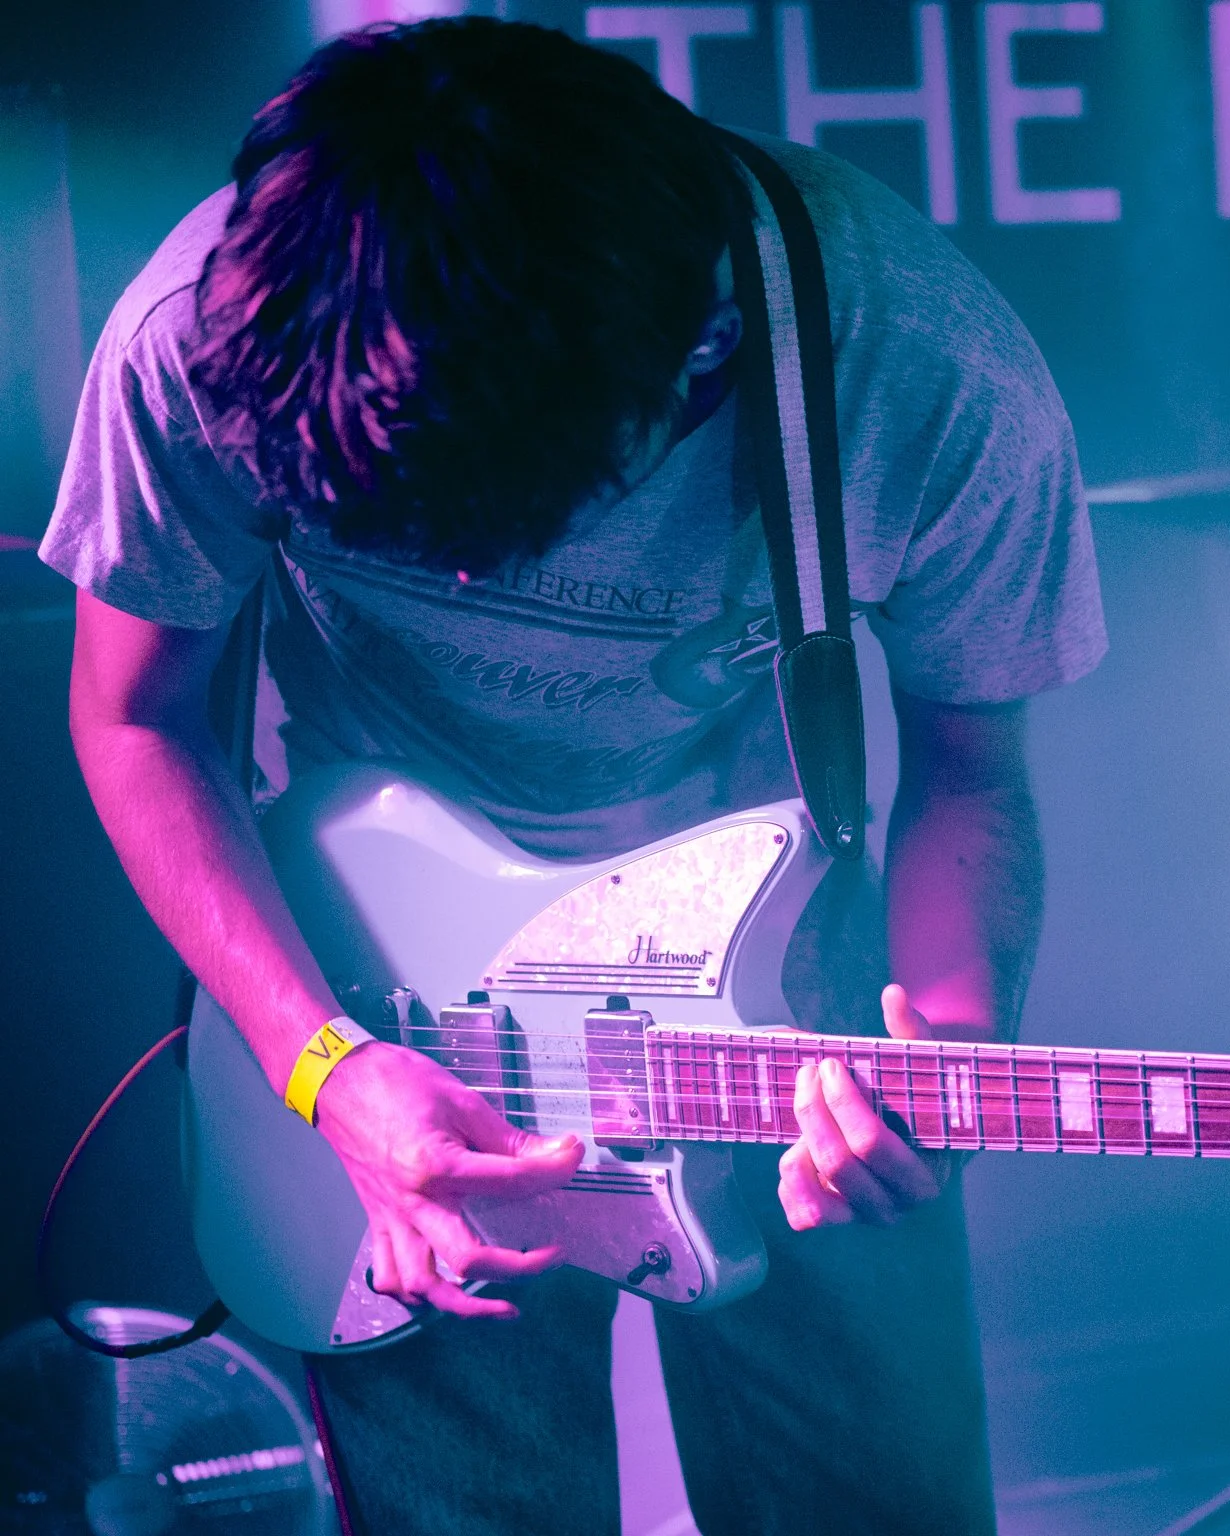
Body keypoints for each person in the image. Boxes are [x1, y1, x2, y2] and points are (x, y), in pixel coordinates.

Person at [41, 19, 1105, 1536]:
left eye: (492, 524)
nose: (459, 571)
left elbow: (973, 774)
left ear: (694, 360)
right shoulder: (202, 342)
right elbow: (136, 719)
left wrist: (938, 1050)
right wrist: (326, 1071)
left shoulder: (921, 368)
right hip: (386, 991)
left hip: (796, 1018)